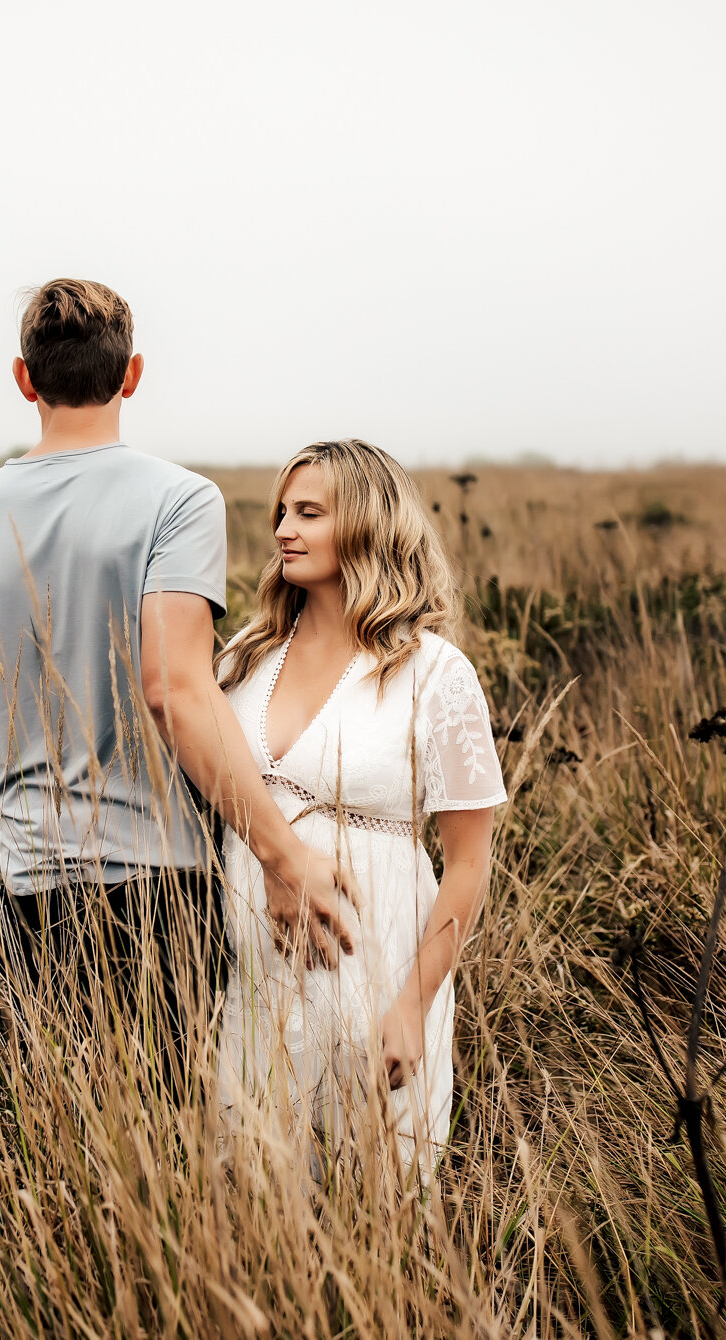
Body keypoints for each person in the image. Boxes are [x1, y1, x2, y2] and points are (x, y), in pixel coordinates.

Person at [0, 279, 357, 1076]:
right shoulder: (180, 501)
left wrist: (31, 782)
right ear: (133, 373)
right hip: (160, 884)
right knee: (162, 1141)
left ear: (24, 378)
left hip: (28, 882)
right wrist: (282, 858)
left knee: (53, 1134)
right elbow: (174, 688)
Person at [214, 439, 505, 1181]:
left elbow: (470, 863)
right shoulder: (245, 658)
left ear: (369, 527)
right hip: (256, 993)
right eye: (282, 510)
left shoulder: (433, 671)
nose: (283, 528)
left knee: (382, 1215)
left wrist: (413, 1004)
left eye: (309, 512)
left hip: (376, 987)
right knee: (254, 1213)